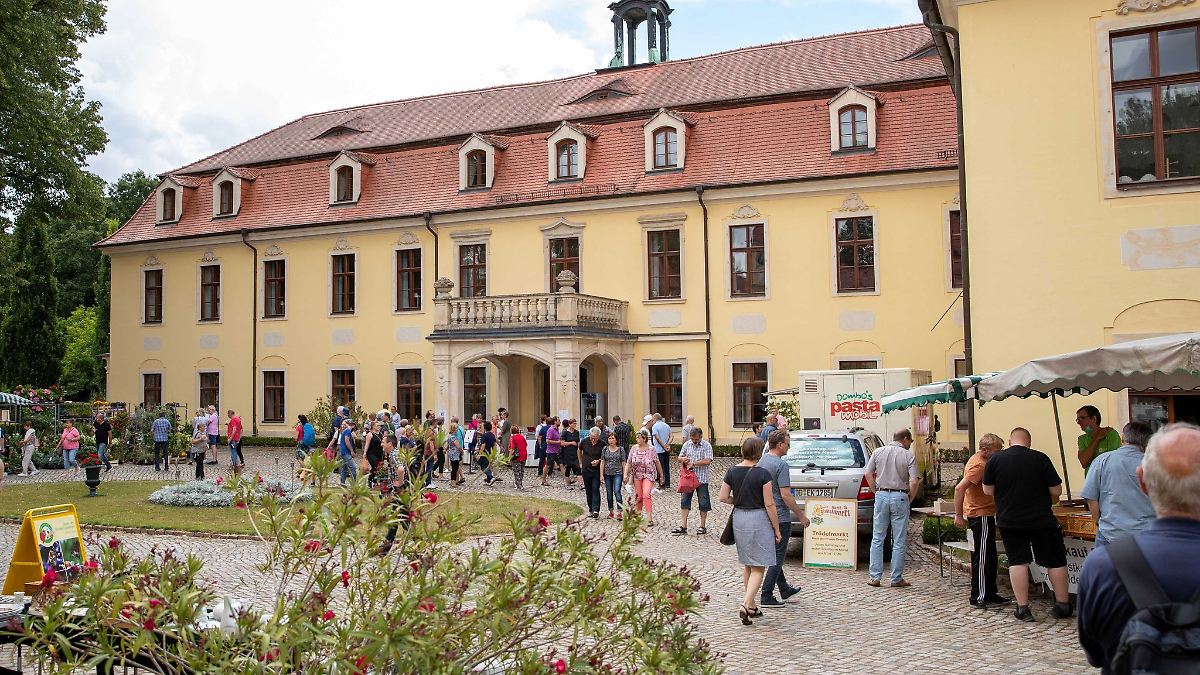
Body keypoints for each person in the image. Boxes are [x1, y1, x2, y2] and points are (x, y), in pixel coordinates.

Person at [1077, 423, 1200, 672]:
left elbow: (1095, 652)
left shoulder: (1102, 567)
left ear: (1143, 481)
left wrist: (1100, 521)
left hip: (1114, 538)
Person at [982, 427, 1072, 622]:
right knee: (1055, 560)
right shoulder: (1040, 458)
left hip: (1010, 519)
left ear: (1010, 440)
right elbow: (1056, 489)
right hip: (1041, 519)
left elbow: (988, 490)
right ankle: (1063, 605)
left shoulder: (996, 460)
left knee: (1018, 561)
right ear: (1029, 442)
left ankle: (1023, 608)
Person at [719, 436, 782, 626]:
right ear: (758, 452)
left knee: (747, 563)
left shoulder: (732, 471)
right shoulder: (763, 474)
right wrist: (777, 529)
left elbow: (723, 497)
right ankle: (746, 604)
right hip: (758, 518)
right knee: (759, 566)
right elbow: (769, 504)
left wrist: (737, 501)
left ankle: (752, 604)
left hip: (739, 517)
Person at [953, 432, 1010, 608]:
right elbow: (959, 488)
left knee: (990, 556)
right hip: (980, 515)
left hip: (986, 514)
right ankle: (979, 596)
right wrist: (958, 515)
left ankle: (991, 593)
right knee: (983, 557)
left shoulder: (985, 461)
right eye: (997, 450)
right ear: (985, 450)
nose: (1000, 453)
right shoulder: (978, 466)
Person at [757, 429, 811, 607]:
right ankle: (766, 595)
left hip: (765, 514)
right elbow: (786, 495)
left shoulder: (763, 460)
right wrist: (801, 515)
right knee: (777, 557)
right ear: (780, 445)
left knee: (774, 554)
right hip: (780, 515)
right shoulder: (781, 465)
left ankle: (784, 588)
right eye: (788, 444)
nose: (789, 447)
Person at [1081, 422, 1156, 547]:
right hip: (1146, 534)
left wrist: (1099, 522)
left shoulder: (1102, 460)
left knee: (1106, 567)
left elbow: (1091, 497)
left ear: (1123, 437)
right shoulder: (1154, 464)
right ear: (1147, 442)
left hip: (1109, 533)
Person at [865, 428, 920, 588]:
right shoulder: (908, 455)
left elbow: (868, 473)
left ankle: (875, 577)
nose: (910, 444)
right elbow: (914, 481)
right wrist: (911, 497)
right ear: (905, 439)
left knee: (877, 538)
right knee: (899, 540)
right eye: (910, 441)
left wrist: (876, 490)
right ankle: (896, 578)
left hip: (881, 495)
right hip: (900, 496)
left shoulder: (878, 452)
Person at [674, 426, 714, 536]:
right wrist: (682, 459)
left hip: (701, 478)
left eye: (696, 439)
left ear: (701, 436)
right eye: (693, 439)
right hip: (688, 478)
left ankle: (702, 526)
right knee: (685, 501)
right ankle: (683, 525)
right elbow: (679, 457)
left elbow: (708, 460)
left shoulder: (706, 445)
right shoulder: (687, 444)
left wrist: (694, 463)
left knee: (703, 502)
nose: (695, 441)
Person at [624, 429, 664, 526]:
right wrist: (625, 474)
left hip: (649, 475)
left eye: (639, 437)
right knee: (639, 496)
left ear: (644, 438)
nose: (637, 439)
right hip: (637, 475)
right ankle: (638, 516)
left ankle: (649, 519)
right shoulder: (633, 449)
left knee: (646, 494)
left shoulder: (651, 449)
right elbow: (629, 462)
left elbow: (657, 462)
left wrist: (661, 475)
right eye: (637, 437)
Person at [1076, 405, 1121, 472]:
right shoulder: (1082, 439)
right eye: (1077, 420)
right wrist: (1097, 439)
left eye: (1082, 418)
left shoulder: (1111, 434)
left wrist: (1091, 458)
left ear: (1094, 418)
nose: (1078, 422)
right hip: (1091, 481)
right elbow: (1084, 462)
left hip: (1108, 479)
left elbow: (1111, 461)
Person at [600, 431, 627, 519]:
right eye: (609, 438)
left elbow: (623, 462)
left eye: (613, 438)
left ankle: (619, 511)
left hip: (618, 473)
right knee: (609, 492)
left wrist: (625, 474)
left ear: (616, 440)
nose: (611, 440)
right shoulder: (605, 449)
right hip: (607, 473)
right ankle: (611, 511)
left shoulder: (620, 449)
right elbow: (602, 462)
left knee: (617, 491)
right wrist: (601, 474)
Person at [580, 427, 606, 517]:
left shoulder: (602, 444)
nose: (593, 439)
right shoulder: (584, 441)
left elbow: (604, 457)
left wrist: (598, 461)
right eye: (591, 437)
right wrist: (580, 462)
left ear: (599, 436)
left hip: (597, 470)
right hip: (586, 469)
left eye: (595, 437)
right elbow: (579, 450)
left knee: (595, 488)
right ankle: (590, 509)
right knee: (588, 489)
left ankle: (596, 510)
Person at [651, 413, 673, 489]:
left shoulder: (655, 426)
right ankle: (667, 483)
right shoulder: (667, 425)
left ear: (655, 419)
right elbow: (671, 436)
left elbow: (657, 438)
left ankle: (662, 484)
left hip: (658, 450)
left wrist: (663, 446)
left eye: (652, 420)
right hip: (666, 450)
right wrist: (667, 445)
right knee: (666, 466)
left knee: (660, 467)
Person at [560, 419, 581, 489]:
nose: (575, 425)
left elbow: (578, 442)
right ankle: (567, 484)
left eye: (575, 423)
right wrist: (571, 443)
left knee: (578, 468)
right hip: (567, 453)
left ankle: (581, 483)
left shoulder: (577, 432)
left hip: (575, 453)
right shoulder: (565, 432)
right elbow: (562, 443)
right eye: (573, 423)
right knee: (568, 469)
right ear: (569, 424)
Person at [478, 420, 499, 486]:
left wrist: (480, 454)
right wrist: (494, 452)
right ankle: (488, 480)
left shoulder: (485, 435)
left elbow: (483, 445)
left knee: (483, 467)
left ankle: (491, 477)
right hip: (490, 453)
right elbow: (495, 444)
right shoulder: (492, 435)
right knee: (488, 466)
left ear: (485, 428)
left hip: (485, 453)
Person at [541, 416, 561, 486]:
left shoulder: (557, 429)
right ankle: (543, 480)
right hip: (551, 451)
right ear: (555, 421)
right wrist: (558, 442)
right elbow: (547, 440)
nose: (560, 422)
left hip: (557, 451)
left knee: (562, 465)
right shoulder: (551, 429)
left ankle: (568, 480)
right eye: (559, 420)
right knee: (548, 465)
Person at [338, 420, 358, 486]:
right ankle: (354, 483)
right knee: (353, 467)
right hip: (346, 452)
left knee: (344, 468)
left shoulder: (346, 431)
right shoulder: (348, 431)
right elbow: (347, 441)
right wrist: (352, 451)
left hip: (343, 452)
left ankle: (342, 482)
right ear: (353, 426)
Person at [447, 420, 464, 485]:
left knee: (454, 468)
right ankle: (453, 482)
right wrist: (462, 451)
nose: (457, 429)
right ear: (454, 429)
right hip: (455, 455)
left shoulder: (450, 436)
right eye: (456, 428)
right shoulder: (454, 437)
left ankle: (452, 481)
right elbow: (458, 447)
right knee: (455, 468)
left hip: (451, 453)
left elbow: (447, 445)